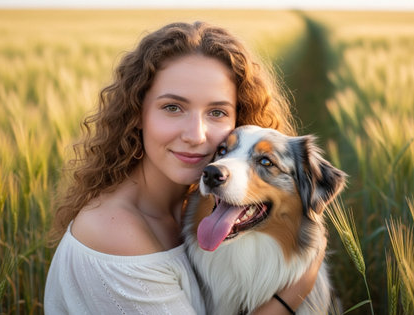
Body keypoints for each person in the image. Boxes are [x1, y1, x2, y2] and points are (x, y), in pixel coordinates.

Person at [44, 21, 326, 314]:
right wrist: (296, 291)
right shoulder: (113, 235)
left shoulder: (196, 208)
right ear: (136, 112)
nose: (196, 135)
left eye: (217, 112)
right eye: (173, 108)